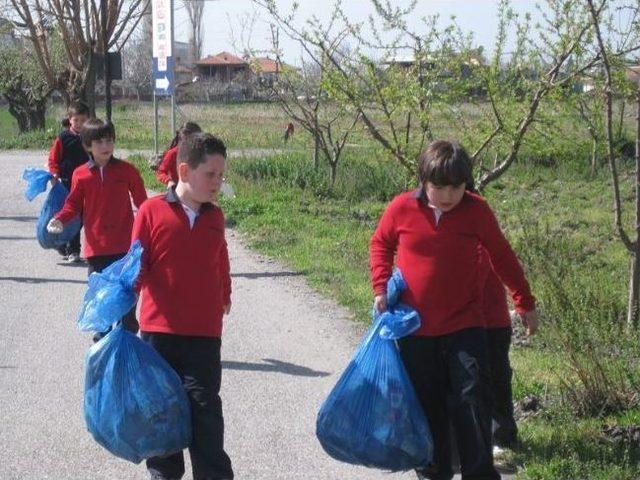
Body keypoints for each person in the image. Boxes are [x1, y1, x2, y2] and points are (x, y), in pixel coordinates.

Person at [369, 140, 538, 480]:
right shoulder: (401, 208)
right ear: (423, 180)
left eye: (456, 187)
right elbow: (381, 243)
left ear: (466, 184)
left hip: (465, 327)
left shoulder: (476, 211)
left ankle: (478, 473)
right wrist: (380, 285)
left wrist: (524, 301)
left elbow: (502, 255)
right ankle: (434, 473)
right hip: (416, 332)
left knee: (472, 400)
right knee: (428, 408)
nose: (448, 195)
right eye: (439, 187)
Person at [132, 132, 234, 480]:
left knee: (206, 416)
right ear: (185, 171)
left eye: (221, 175)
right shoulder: (151, 211)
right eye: (211, 174)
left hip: (205, 335)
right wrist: (123, 300)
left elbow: (220, 258)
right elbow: (137, 265)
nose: (218, 182)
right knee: (163, 417)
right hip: (159, 335)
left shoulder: (214, 217)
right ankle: (163, 474)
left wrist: (226, 292)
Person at [47, 119, 147, 339]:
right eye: (99, 141)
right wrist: (60, 219)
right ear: (87, 146)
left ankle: (126, 345)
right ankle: (101, 344)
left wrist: (155, 224)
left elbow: (143, 202)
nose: (105, 146)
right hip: (96, 249)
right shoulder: (80, 174)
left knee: (127, 300)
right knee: (100, 300)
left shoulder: (127, 171)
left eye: (109, 140)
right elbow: (73, 204)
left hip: (125, 248)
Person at [47, 102, 90, 263]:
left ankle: (67, 244)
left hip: (87, 183)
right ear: (70, 120)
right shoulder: (63, 138)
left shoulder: (91, 137)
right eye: (76, 120)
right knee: (71, 215)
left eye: (83, 120)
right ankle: (72, 249)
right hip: (67, 183)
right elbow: (53, 158)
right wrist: (55, 174)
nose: (79, 124)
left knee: (83, 217)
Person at [156, 122, 202, 188]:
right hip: (177, 190)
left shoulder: (201, 153)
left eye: (197, 141)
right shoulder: (173, 153)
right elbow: (160, 172)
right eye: (187, 140)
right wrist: (169, 181)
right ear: (181, 138)